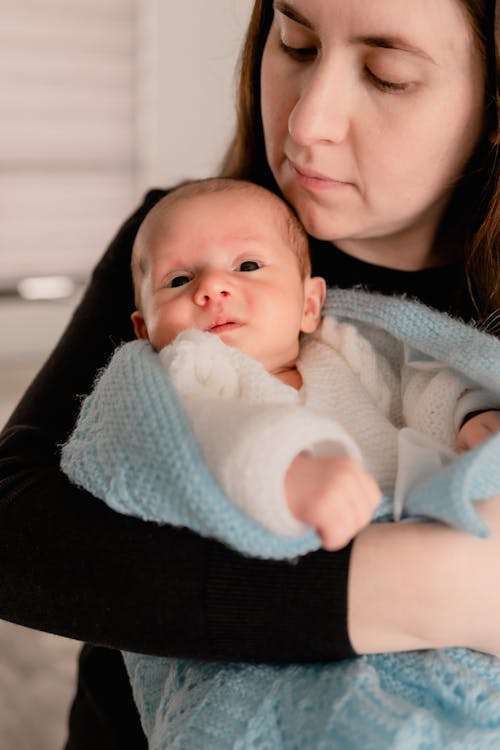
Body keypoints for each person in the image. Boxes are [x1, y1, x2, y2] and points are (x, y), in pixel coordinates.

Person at [0, 0, 498, 747]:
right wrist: (412, 587)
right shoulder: (176, 249)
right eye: (294, 44)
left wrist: (467, 418)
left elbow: (426, 390)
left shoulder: (421, 338)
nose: (306, 124)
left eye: (386, 75)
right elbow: (18, 526)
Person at [61, 176, 500, 748]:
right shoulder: (184, 378)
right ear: (145, 329)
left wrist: (468, 414)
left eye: (247, 266)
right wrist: (285, 473)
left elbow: (419, 383)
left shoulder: (348, 350)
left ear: (310, 304)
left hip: (426, 598)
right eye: (178, 279)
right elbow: (171, 446)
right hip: (276, 629)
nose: (213, 288)